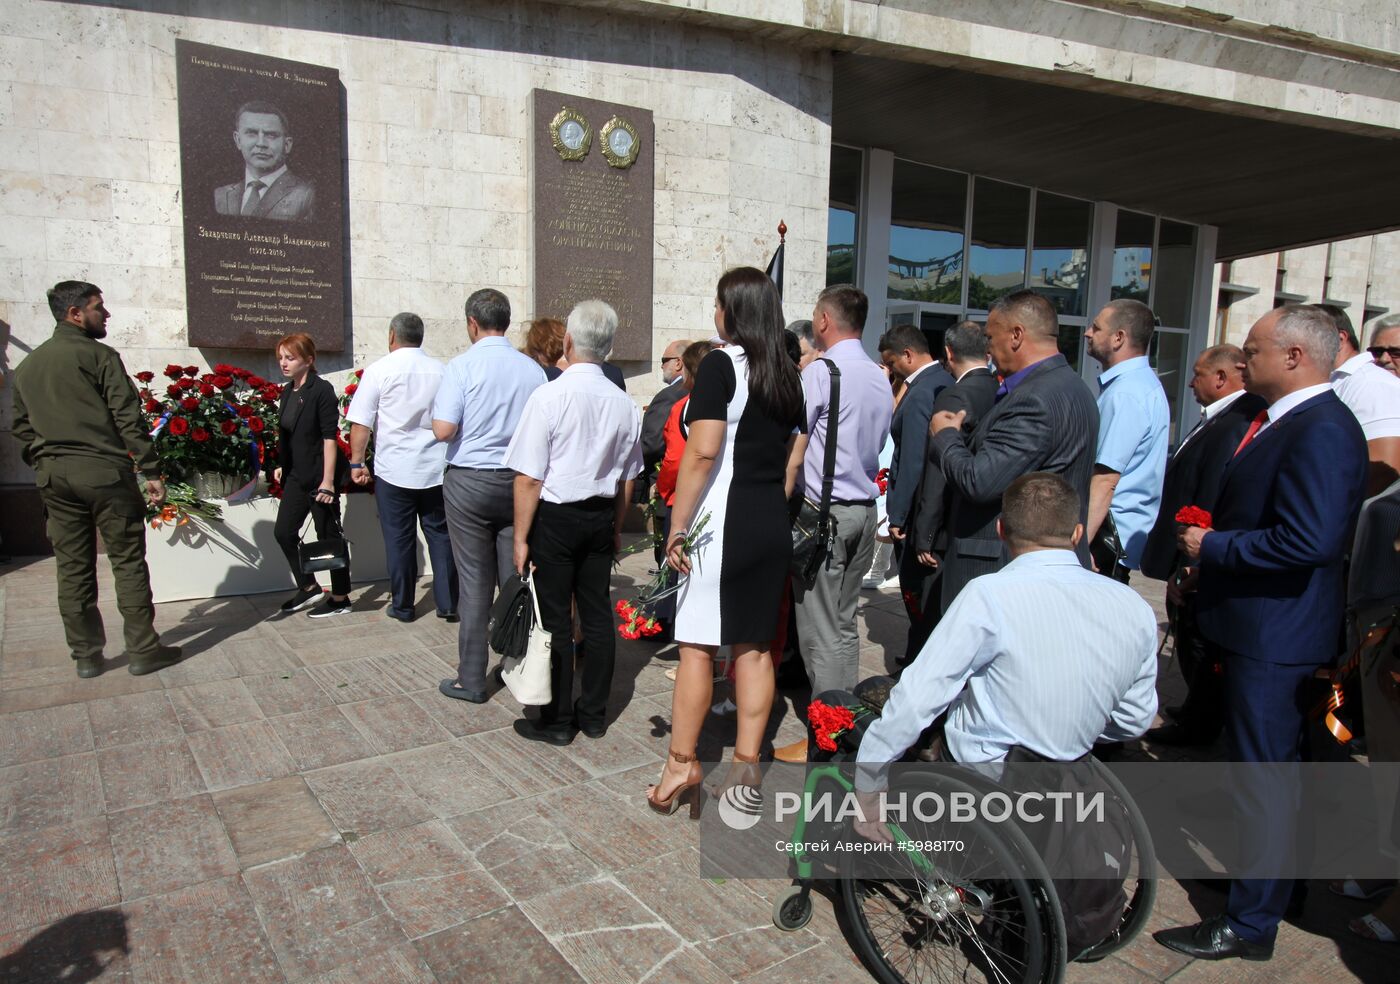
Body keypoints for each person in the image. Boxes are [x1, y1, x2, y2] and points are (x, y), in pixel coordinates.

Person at [1155, 304, 1368, 962]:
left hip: (1276, 637)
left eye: (1254, 350)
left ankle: (1250, 923)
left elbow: (1309, 539)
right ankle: (1274, 888)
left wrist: (1213, 546)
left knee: (1265, 779)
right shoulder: (1281, 420)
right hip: (1257, 626)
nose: (1242, 361)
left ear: (1296, 357)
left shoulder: (1322, 428)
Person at [852, 472, 1158, 832]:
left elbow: (920, 695)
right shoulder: (1132, 605)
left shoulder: (989, 595)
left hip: (988, 775)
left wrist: (869, 778)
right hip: (1068, 766)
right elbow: (1135, 718)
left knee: (869, 700)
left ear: (1001, 531)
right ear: (1077, 534)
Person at [648, 268, 807, 815]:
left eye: (718, 304)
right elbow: (794, 455)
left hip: (723, 521)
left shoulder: (720, 364)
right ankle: (745, 769)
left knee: (696, 645)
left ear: (732, 311)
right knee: (755, 648)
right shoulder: (788, 373)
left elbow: (703, 451)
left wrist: (677, 524)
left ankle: (680, 761)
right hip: (769, 522)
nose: (713, 313)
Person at [10, 281, 182, 677]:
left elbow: (19, 425)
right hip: (103, 472)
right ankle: (142, 650)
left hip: (53, 475)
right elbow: (127, 416)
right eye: (97, 307)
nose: (105, 314)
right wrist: (150, 469)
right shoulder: (99, 355)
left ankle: (86, 657)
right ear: (75, 313)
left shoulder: (29, 366)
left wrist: (41, 457)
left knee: (71, 567)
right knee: (127, 561)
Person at [505, 299, 643, 745]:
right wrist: (617, 524)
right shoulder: (625, 404)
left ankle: (559, 718)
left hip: (557, 518)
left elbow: (528, 477)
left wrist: (521, 537)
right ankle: (594, 714)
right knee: (598, 616)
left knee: (555, 620)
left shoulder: (549, 396)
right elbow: (628, 479)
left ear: (568, 340)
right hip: (600, 515)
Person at [775, 285, 892, 764]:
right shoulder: (880, 375)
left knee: (819, 632)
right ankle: (842, 721)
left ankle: (829, 734)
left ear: (823, 320)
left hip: (822, 514)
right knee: (841, 625)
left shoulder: (823, 371)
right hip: (863, 510)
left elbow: (795, 441)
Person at [928, 290, 1099, 613]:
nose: (988, 348)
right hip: (1046, 565)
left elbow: (980, 481)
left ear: (1016, 335)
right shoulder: (1076, 387)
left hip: (1009, 569)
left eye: (991, 337)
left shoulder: (1033, 399)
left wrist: (946, 436)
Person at [1138, 345, 1265, 747]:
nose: (1191, 383)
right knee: (1189, 634)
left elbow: (1210, 493)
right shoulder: (1219, 418)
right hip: (1189, 548)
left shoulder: (1235, 421)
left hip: (1199, 550)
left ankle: (1200, 725)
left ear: (1222, 378)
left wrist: (1193, 563)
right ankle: (1197, 709)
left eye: (1197, 374)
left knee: (1198, 643)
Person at [432, 289, 546, 702]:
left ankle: (471, 678)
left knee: (474, 583)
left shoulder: (461, 366)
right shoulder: (532, 370)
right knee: (513, 579)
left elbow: (444, 429)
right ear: (507, 322)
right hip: (518, 481)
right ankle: (517, 668)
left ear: (472, 323)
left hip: (470, 480)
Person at [345, 312, 456, 623]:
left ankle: (404, 605)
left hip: (395, 469)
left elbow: (361, 422)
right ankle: (449, 604)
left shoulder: (380, 370)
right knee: (441, 535)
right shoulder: (441, 370)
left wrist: (356, 461)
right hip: (435, 466)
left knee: (399, 538)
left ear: (392, 335)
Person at [906, 320, 998, 650]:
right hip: (984, 525)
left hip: (948, 525)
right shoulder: (999, 389)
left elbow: (937, 470)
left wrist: (925, 535)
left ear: (947, 352)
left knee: (932, 618)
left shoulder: (954, 395)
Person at [878, 324, 953, 654]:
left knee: (915, 593)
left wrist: (899, 515)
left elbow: (911, 460)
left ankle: (919, 660)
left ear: (908, 354)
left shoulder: (923, 391)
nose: (890, 370)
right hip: (933, 507)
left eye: (892, 362)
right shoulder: (942, 381)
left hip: (916, 510)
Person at [1083, 299, 1170, 583]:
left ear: (1119, 337)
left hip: (1103, 542)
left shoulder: (1127, 393)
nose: (1087, 332)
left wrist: (1078, 545)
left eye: (1096, 327)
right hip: (1113, 538)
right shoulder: (1138, 385)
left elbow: (1106, 479)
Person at [271, 332, 353, 618]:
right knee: (283, 532)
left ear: (309, 359)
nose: (284, 363)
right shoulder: (287, 391)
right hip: (296, 475)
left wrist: (328, 482)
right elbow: (288, 434)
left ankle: (340, 597)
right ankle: (308, 587)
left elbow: (330, 438)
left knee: (328, 536)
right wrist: (283, 463)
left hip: (320, 475)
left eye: (290, 358)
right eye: (281, 357)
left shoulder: (322, 390)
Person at [1323, 304, 1400, 496]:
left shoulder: (1376, 387)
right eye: (1377, 351)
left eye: (1396, 352)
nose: (1384, 359)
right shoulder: (1361, 383)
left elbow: (1383, 471)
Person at [214, 101, 315, 222]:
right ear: (238, 140)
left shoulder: (307, 196)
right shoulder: (220, 195)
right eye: (251, 134)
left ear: (287, 145)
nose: (261, 143)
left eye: (271, 135)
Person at [641, 338, 691, 574]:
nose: (661, 366)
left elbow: (651, 443)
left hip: (669, 483)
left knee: (666, 550)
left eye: (664, 360)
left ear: (679, 363)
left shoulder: (671, 395)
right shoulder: (699, 390)